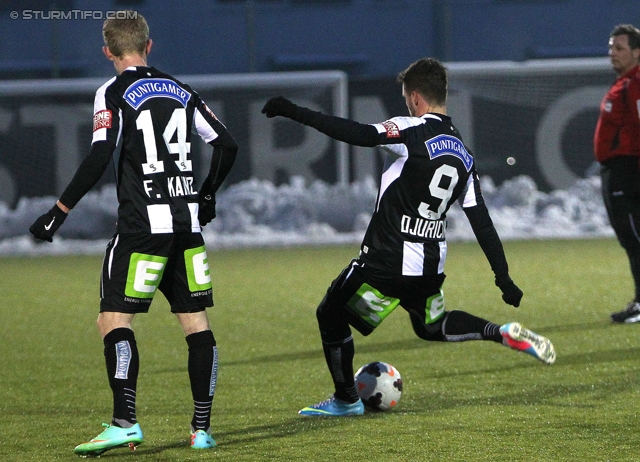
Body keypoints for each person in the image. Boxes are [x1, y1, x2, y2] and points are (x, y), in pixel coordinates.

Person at [262, 57, 556, 417]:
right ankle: (500, 331)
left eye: (406, 99)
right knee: (432, 325)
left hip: (385, 260)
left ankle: (346, 399)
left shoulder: (412, 130)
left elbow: (359, 134)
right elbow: (482, 221)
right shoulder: (463, 154)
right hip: (429, 265)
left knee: (330, 313)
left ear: (416, 98)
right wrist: (503, 278)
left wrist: (295, 112)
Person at [29, 12, 237, 454]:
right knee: (196, 324)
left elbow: (101, 153)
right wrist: (208, 195)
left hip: (143, 228)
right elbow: (226, 143)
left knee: (113, 319)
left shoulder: (113, 90)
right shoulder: (182, 90)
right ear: (149, 45)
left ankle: (125, 421)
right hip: (186, 225)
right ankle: (201, 429)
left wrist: (59, 210)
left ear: (108, 51)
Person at [594, 24, 640, 323]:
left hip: (628, 170)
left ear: (637, 53)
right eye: (611, 47)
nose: (613, 53)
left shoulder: (635, 84)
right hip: (617, 170)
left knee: (636, 238)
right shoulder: (624, 83)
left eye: (619, 48)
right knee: (631, 239)